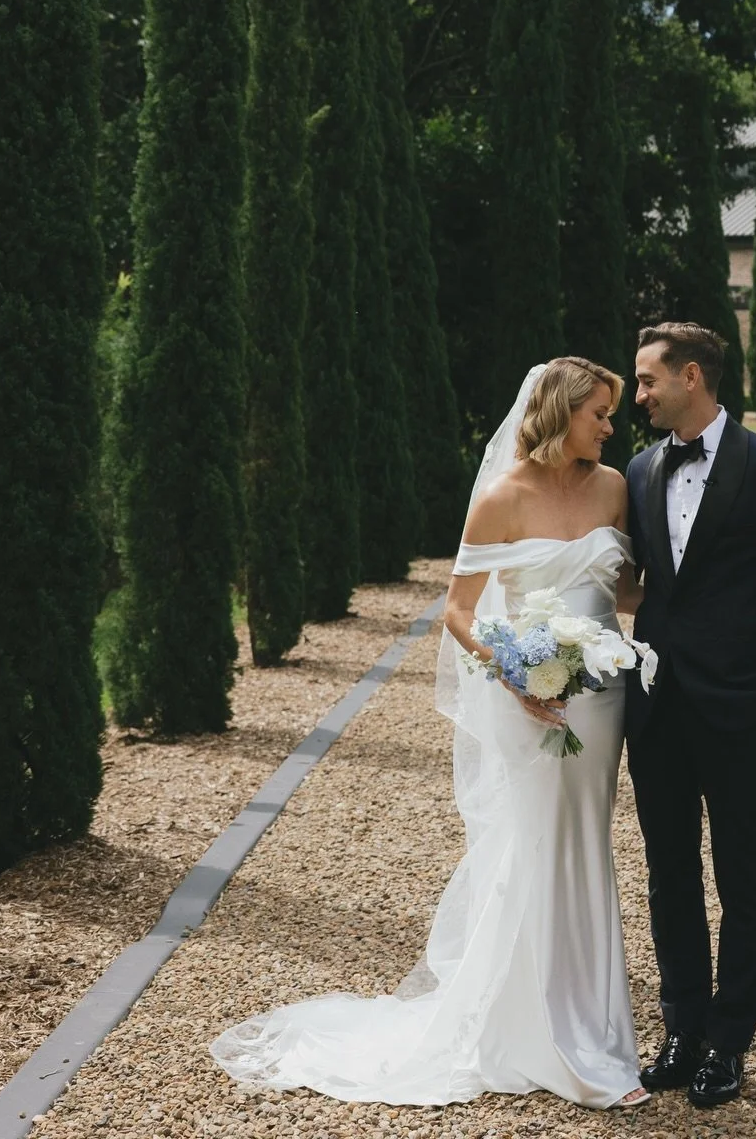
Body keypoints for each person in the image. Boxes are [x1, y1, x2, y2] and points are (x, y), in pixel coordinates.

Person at [210, 357, 651, 1110]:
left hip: (602, 699)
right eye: (599, 414)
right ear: (558, 414)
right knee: (537, 844)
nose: (612, 427)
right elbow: (456, 611)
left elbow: (629, 589)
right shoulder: (501, 499)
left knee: (589, 843)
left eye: (612, 413)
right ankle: (534, 1032)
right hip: (531, 699)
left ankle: (590, 1023)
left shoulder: (614, 489)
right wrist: (512, 670)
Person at [626, 320, 756, 1109]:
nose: (638, 395)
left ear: (691, 377)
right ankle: (681, 1028)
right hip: (656, 705)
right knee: (668, 870)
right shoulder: (641, 468)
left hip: (746, 706)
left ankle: (729, 1039)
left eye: (647, 380)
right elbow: (642, 587)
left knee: (743, 874)